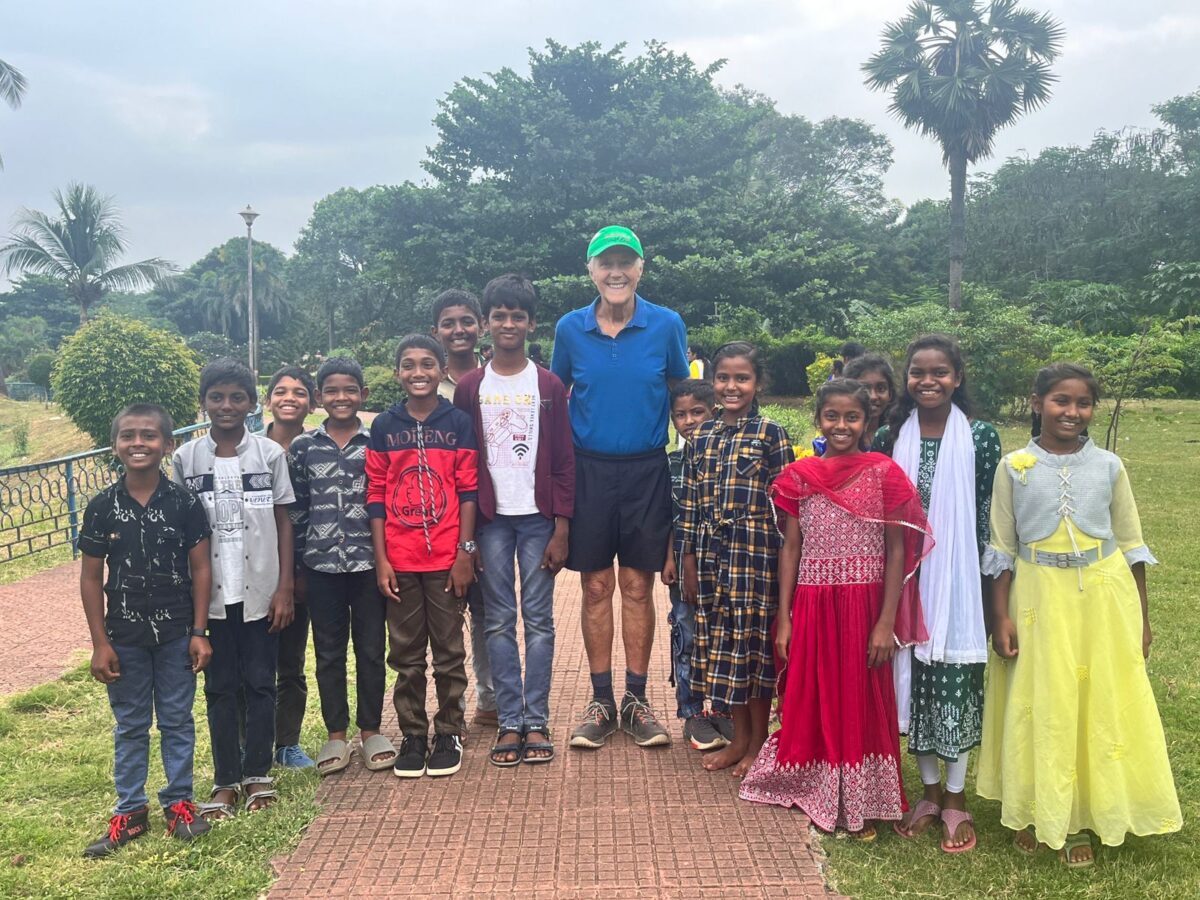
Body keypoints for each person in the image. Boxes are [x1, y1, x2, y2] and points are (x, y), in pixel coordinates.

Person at [978, 363, 1181, 866]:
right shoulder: (1013, 466)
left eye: (1082, 403)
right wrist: (998, 617)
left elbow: (1132, 546)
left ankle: (1087, 815)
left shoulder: (1109, 465)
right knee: (1043, 699)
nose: (1071, 412)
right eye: (1060, 401)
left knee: (1097, 698)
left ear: (1092, 409)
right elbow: (1002, 548)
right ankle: (1036, 809)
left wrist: (1143, 619)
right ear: (1036, 402)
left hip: (1103, 596)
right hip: (1038, 597)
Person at [739, 381, 931, 838]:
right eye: (831, 416)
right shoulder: (800, 475)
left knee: (860, 692)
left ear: (868, 422)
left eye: (852, 417)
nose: (841, 426)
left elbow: (897, 550)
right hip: (813, 599)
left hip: (864, 604)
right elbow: (790, 547)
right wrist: (783, 615)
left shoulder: (883, 473)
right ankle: (821, 785)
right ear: (818, 418)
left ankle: (864, 796)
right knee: (816, 689)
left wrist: (887, 621)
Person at [551, 225, 689, 750]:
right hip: (588, 471)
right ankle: (600, 700)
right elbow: (555, 393)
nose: (616, 271)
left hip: (647, 470)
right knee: (594, 588)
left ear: (640, 269)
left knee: (637, 586)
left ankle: (636, 700)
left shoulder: (666, 325)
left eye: (625, 262)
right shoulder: (570, 328)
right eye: (605, 262)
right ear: (590, 271)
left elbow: (683, 397)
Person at [873, 334, 1001, 853]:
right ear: (907, 378)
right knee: (916, 683)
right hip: (904, 577)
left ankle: (956, 798)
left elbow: (988, 516)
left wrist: (989, 595)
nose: (928, 380)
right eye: (918, 371)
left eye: (940, 371)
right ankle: (927, 794)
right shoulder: (888, 435)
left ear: (958, 377)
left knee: (954, 682)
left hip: (958, 579)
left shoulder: (982, 438)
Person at [80, 405, 214, 857]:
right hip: (124, 637)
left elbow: (201, 569)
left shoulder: (184, 504)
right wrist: (100, 643)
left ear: (168, 445)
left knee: (177, 719)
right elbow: (90, 577)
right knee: (131, 724)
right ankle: (130, 811)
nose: (139, 443)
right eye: (128, 436)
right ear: (114, 445)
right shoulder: (102, 508)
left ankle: (179, 803)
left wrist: (199, 630)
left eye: (150, 435)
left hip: (178, 633)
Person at [453, 274, 575, 766]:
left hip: (538, 519)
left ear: (531, 323)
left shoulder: (547, 385)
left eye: (517, 316)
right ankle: (509, 720)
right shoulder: (470, 387)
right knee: (499, 620)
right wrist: (469, 538)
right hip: (491, 520)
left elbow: (565, 460)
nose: (508, 323)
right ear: (486, 323)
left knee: (540, 621)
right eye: (499, 315)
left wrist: (562, 527)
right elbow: (464, 463)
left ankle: (537, 717)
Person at [172, 358, 295, 819]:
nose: (226, 406)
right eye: (217, 397)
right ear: (204, 402)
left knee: (262, 683)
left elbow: (283, 522)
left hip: (261, 591)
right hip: (211, 599)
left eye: (236, 397)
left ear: (251, 402)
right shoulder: (186, 459)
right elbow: (183, 531)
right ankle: (226, 780)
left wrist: (284, 586)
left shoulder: (269, 456)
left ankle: (258, 773)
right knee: (221, 688)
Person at [367, 335, 478, 779]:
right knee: (407, 655)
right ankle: (413, 734)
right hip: (400, 558)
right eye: (409, 365)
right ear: (397, 373)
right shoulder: (385, 427)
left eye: (428, 364)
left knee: (449, 652)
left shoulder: (458, 422)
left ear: (441, 370)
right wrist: (382, 559)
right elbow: (375, 493)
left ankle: (449, 729)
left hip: (448, 557)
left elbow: (469, 489)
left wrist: (465, 552)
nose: (418, 372)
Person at [680, 342, 794, 774]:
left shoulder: (771, 434)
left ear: (757, 383)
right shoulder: (703, 435)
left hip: (756, 559)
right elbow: (689, 501)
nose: (732, 386)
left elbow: (787, 508)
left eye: (741, 378)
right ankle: (738, 739)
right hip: (711, 560)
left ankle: (758, 744)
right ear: (713, 383)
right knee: (726, 652)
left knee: (754, 652)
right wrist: (687, 558)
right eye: (723, 378)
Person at [289, 357, 394, 776]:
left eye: (350, 390)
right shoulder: (304, 447)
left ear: (363, 395)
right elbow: (297, 510)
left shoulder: (376, 443)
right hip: (320, 567)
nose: (341, 398)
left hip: (370, 564)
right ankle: (336, 735)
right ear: (319, 398)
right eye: (331, 391)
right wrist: (297, 569)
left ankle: (371, 731)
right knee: (328, 653)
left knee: (371, 650)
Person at [431, 289, 496, 728]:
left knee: (488, 609)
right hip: (434, 518)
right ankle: (447, 706)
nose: (459, 330)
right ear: (436, 330)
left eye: (467, 321)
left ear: (482, 326)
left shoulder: (499, 377)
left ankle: (490, 699)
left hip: (489, 512)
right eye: (448, 323)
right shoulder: (425, 381)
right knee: (444, 612)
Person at [661, 378, 731, 750]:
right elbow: (668, 516)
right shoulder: (671, 463)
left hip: (727, 563)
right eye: (680, 415)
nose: (689, 422)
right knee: (686, 633)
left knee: (721, 636)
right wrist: (668, 557)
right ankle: (691, 712)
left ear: (714, 412)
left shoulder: (727, 457)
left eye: (697, 413)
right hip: (683, 562)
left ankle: (722, 709)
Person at [264, 365, 318, 769]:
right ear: (268, 400)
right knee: (254, 660)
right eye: (281, 391)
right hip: (258, 569)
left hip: (309, 569)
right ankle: (253, 741)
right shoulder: (249, 449)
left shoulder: (316, 447)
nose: (289, 398)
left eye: (299, 392)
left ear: (310, 403)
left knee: (292, 661)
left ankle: (287, 742)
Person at [844, 353, 897, 449]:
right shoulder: (839, 436)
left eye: (881, 388)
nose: (873, 397)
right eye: (865, 389)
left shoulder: (898, 434)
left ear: (890, 394)